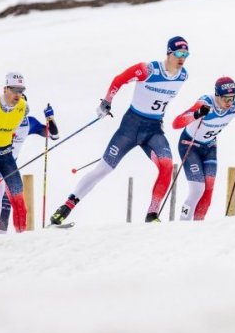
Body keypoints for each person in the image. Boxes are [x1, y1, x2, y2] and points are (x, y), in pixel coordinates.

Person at [50, 36, 190, 225]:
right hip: (131, 126)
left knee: (166, 166)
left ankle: (152, 215)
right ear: (169, 53)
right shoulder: (148, 69)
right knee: (104, 169)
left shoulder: (183, 76)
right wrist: (107, 101)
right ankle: (65, 207)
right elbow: (120, 79)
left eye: (186, 54)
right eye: (179, 53)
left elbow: (161, 100)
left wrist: (160, 118)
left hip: (154, 130)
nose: (183, 58)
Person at [172, 77, 235, 221]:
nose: (229, 102)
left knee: (208, 190)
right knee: (197, 190)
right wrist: (197, 114)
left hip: (209, 147)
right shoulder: (205, 102)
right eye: (226, 98)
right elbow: (176, 124)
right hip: (189, 144)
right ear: (217, 95)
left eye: (232, 98)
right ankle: (183, 224)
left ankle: (199, 225)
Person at [0, 102, 59, 234]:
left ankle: (10, 236)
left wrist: (50, 119)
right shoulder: (1, 118)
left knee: (12, 202)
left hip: (8, 169)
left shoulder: (29, 122)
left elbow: (53, 135)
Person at [0, 72, 28, 233]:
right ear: (5, 89)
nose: (18, 94)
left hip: (5, 154)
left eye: (21, 90)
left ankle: (23, 237)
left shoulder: (23, 107)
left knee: (18, 195)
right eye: (15, 90)